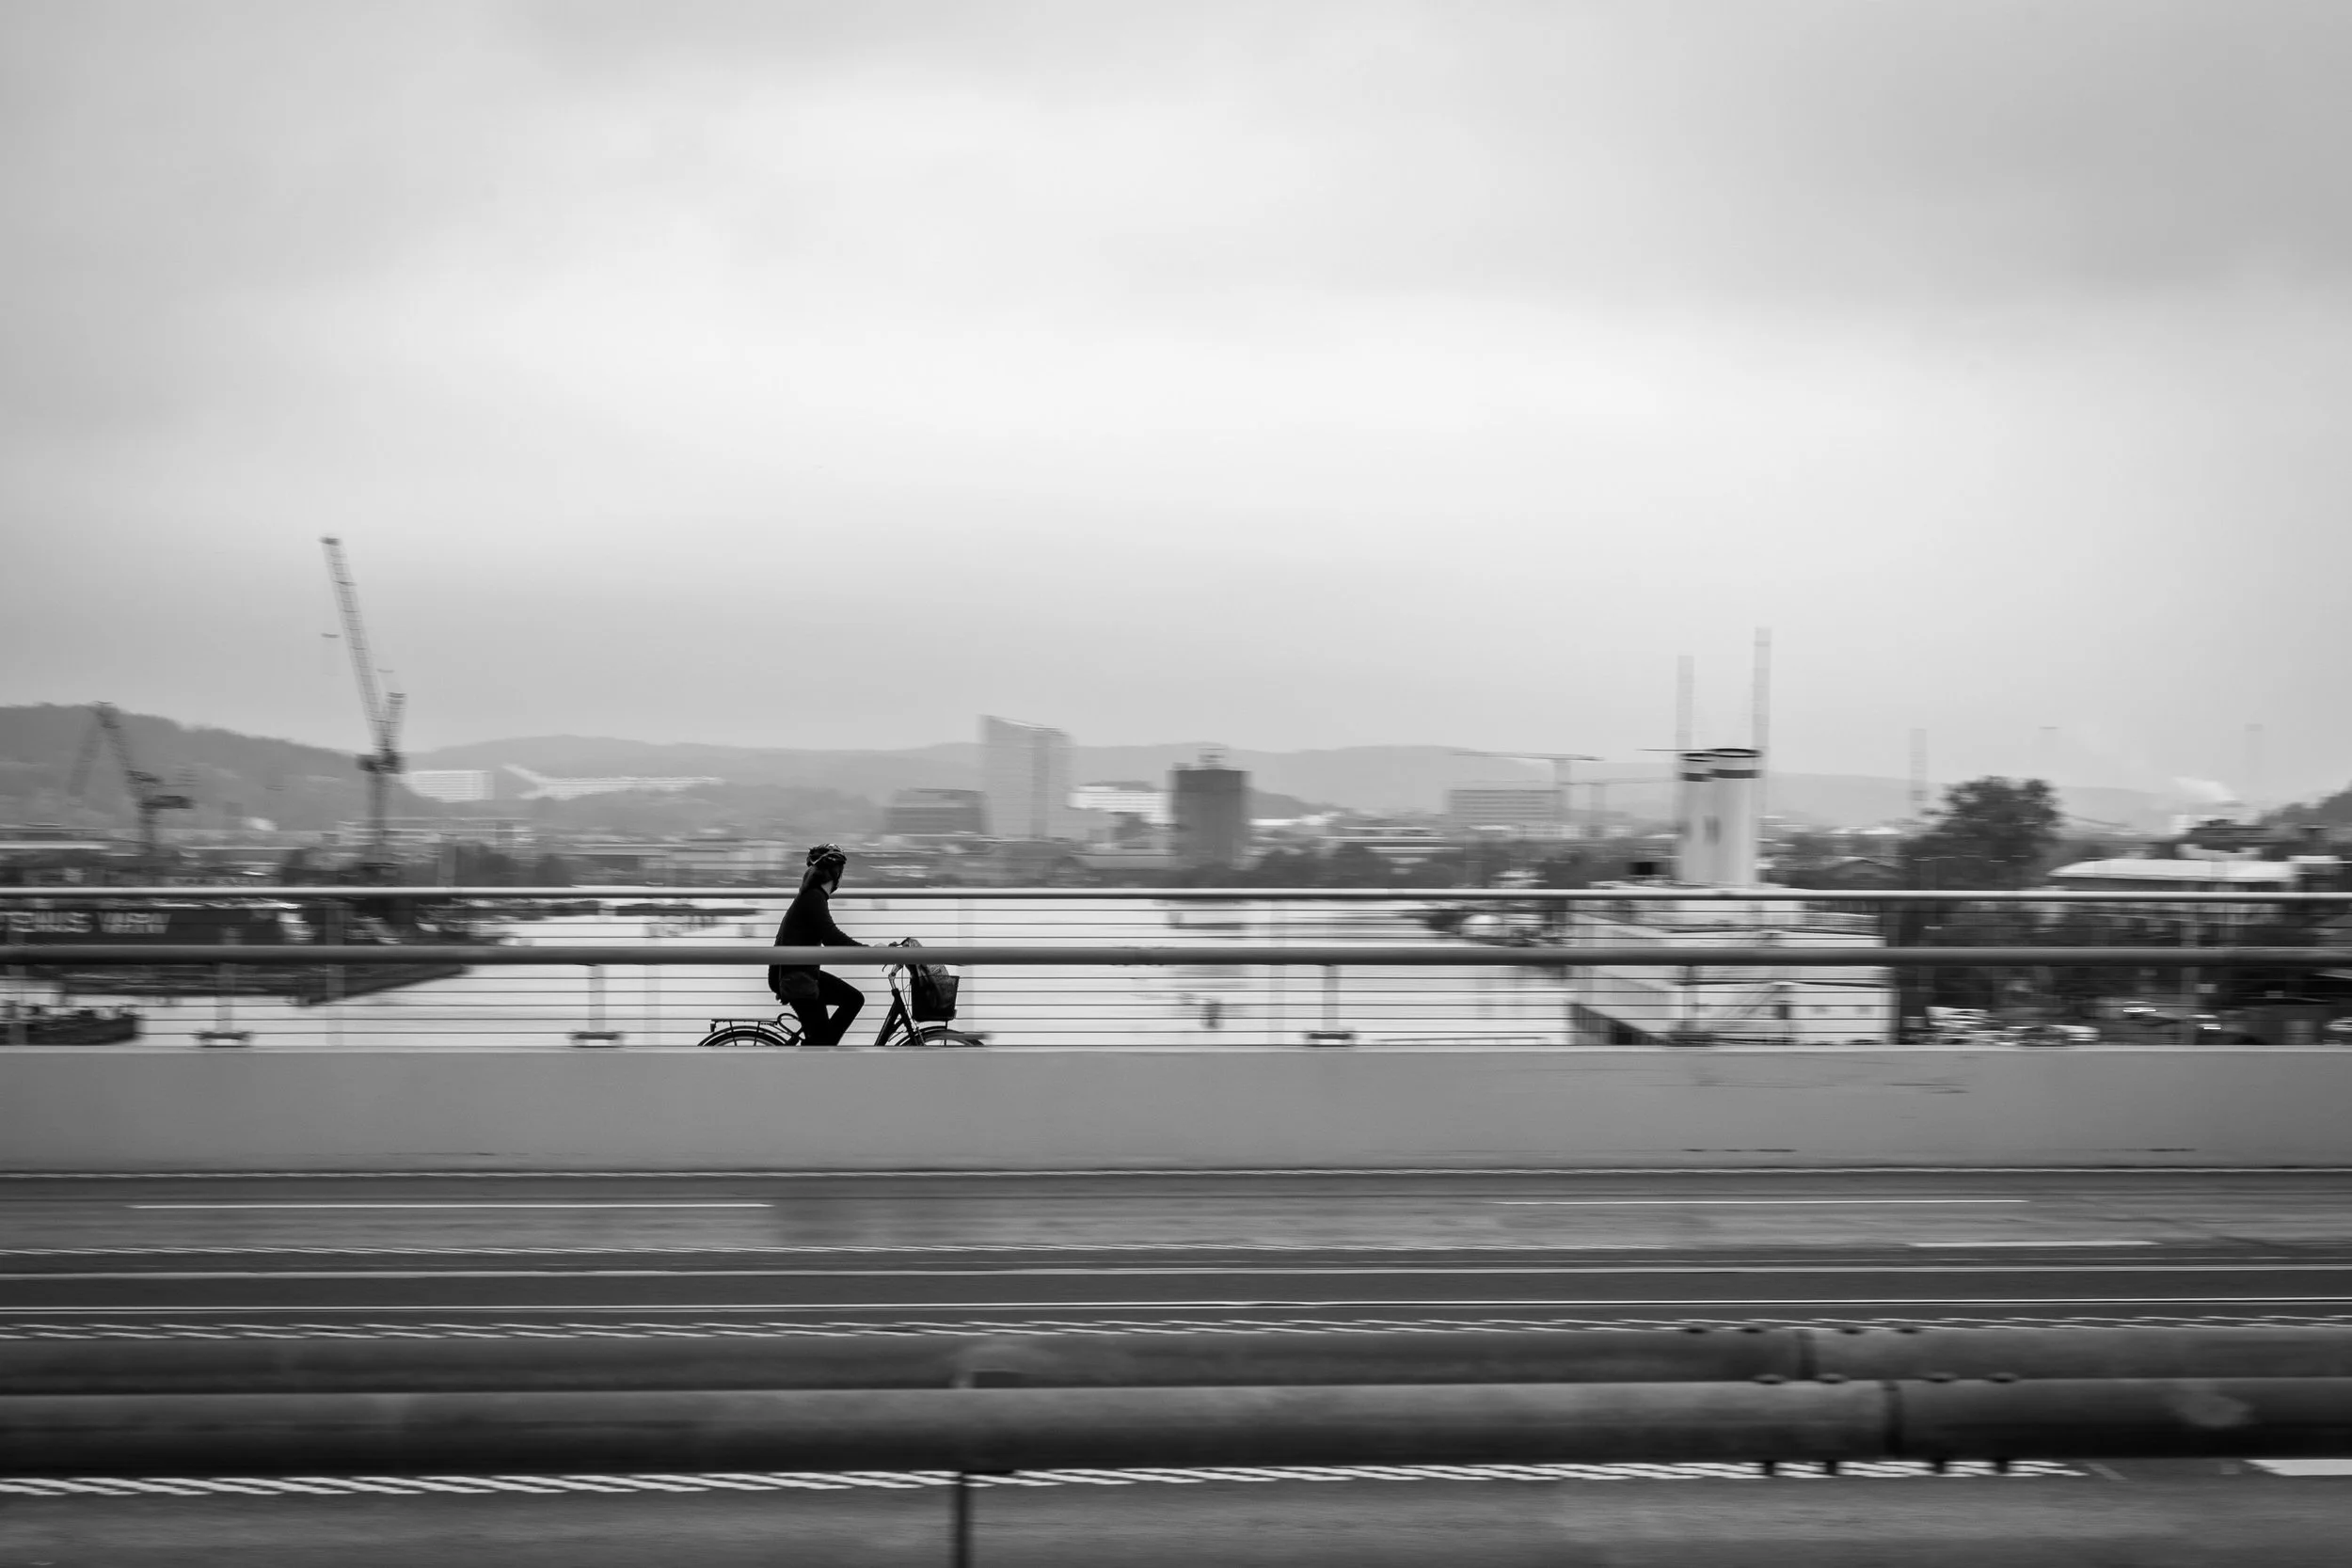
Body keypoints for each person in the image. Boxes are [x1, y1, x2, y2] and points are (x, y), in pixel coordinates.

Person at [767, 844, 866, 1047]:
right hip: (795, 977)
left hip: (798, 972)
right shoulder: (813, 898)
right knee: (846, 1010)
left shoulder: (812, 895)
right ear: (835, 873)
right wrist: (869, 952)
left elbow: (828, 936)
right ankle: (821, 1053)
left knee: (852, 1000)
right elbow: (831, 937)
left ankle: (822, 1049)